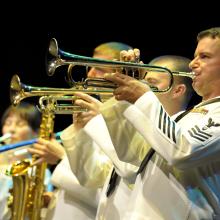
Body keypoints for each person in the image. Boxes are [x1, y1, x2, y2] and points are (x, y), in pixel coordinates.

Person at [103, 27, 220, 219]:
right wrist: (124, 98)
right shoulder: (183, 117)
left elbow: (183, 151)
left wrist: (143, 96)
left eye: (204, 56)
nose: (192, 64)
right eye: (195, 56)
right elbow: (130, 156)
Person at [76, 53, 196, 220]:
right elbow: (92, 175)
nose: (141, 88)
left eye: (151, 84)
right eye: (143, 83)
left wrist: (101, 119)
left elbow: (129, 167)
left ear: (177, 90)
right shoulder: (141, 124)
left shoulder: (181, 130)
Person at [28, 41, 133, 220]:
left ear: (119, 71)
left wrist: (62, 155)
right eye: (89, 67)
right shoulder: (94, 114)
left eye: (98, 68)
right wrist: (78, 131)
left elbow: (107, 190)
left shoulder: (128, 116)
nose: (89, 74)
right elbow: (90, 176)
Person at [0, 102, 53, 220]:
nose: (12, 129)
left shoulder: (39, 169)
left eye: (20, 124)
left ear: (36, 133)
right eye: (8, 123)